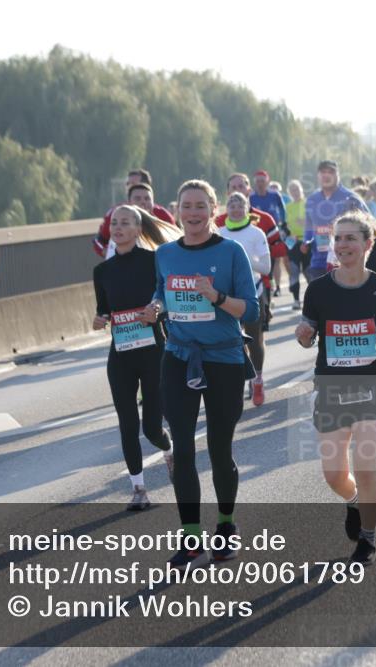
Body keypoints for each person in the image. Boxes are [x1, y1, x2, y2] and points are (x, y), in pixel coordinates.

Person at [145, 179, 259, 569]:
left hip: (224, 359)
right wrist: (156, 307)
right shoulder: (164, 253)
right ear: (177, 211)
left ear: (214, 210)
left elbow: (252, 311)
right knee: (182, 448)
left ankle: (226, 527)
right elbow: (161, 291)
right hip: (178, 358)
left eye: (200, 206)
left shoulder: (231, 252)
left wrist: (217, 298)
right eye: (186, 206)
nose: (192, 213)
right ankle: (191, 537)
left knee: (219, 448)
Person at [295, 210, 376, 565]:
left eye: (351, 238)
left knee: (365, 466)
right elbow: (306, 335)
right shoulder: (318, 289)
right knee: (334, 475)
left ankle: (368, 540)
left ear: (368, 244)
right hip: (331, 387)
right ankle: (353, 501)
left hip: (373, 386)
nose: (343, 244)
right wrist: (303, 335)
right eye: (338, 238)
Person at [93, 205, 178, 510]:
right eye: (114, 222)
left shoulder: (154, 261)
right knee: (127, 423)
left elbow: (168, 296)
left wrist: (157, 308)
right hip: (121, 355)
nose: (117, 228)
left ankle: (168, 451)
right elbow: (104, 308)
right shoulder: (102, 271)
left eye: (125, 223)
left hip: (153, 353)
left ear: (138, 228)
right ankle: (138, 490)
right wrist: (99, 319)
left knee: (152, 428)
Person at [219, 192, 272, 407]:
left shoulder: (256, 233)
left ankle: (257, 379)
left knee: (254, 337)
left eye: (240, 204)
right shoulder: (219, 233)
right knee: (232, 340)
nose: (236, 208)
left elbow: (266, 268)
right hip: (227, 294)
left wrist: (244, 260)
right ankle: (237, 381)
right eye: (231, 204)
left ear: (248, 208)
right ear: (226, 208)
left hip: (253, 292)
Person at [302, 160, 369, 282]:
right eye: (323, 172)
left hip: (346, 263)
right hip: (318, 263)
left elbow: (369, 227)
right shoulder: (312, 200)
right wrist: (306, 242)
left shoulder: (351, 198)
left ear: (338, 175)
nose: (326, 176)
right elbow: (309, 229)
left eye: (331, 172)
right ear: (318, 176)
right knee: (319, 301)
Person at [94, 169, 176, 258]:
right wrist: (110, 256)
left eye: (133, 184)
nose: (129, 187)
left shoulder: (163, 215)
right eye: (128, 184)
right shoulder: (115, 213)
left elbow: (176, 242)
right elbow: (99, 240)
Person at [249, 170, 288, 295]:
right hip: (258, 234)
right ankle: (267, 286)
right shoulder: (251, 197)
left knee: (276, 260)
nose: (260, 184)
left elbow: (282, 209)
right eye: (258, 181)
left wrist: (283, 223)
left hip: (274, 232)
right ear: (255, 183)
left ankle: (277, 287)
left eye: (262, 181)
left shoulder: (275, 195)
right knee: (262, 260)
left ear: (267, 182)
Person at [285, 180, 307, 310]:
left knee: (308, 271)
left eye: (297, 189)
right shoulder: (288, 206)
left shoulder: (308, 204)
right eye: (292, 190)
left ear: (301, 189)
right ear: (289, 193)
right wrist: (287, 233)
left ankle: (312, 298)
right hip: (293, 242)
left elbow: (315, 221)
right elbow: (286, 224)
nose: (295, 192)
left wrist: (306, 223)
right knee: (293, 271)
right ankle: (296, 300)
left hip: (307, 241)